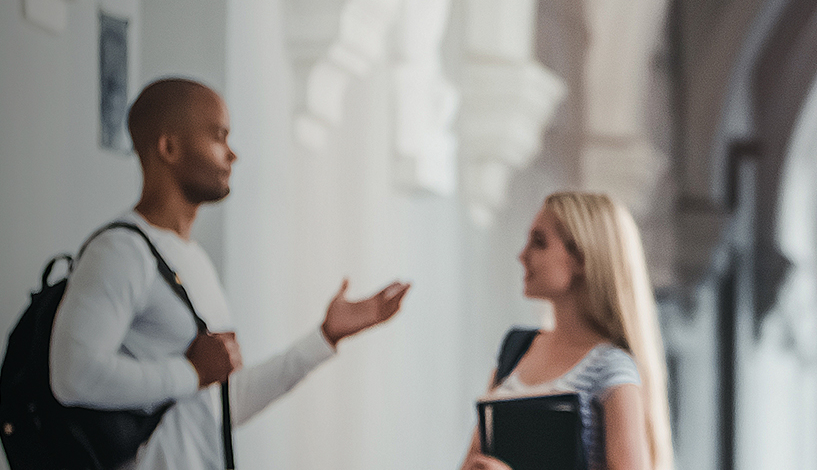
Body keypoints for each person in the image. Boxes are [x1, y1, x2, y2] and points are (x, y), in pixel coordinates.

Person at [48, 77, 412, 470]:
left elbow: (220, 406)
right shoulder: (121, 252)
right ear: (169, 147)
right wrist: (190, 372)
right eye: (219, 136)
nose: (232, 154)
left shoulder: (193, 260)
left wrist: (325, 337)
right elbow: (73, 375)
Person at [461, 192, 674, 470]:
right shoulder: (515, 350)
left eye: (539, 243)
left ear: (582, 258)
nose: (522, 255)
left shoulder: (611, 369)